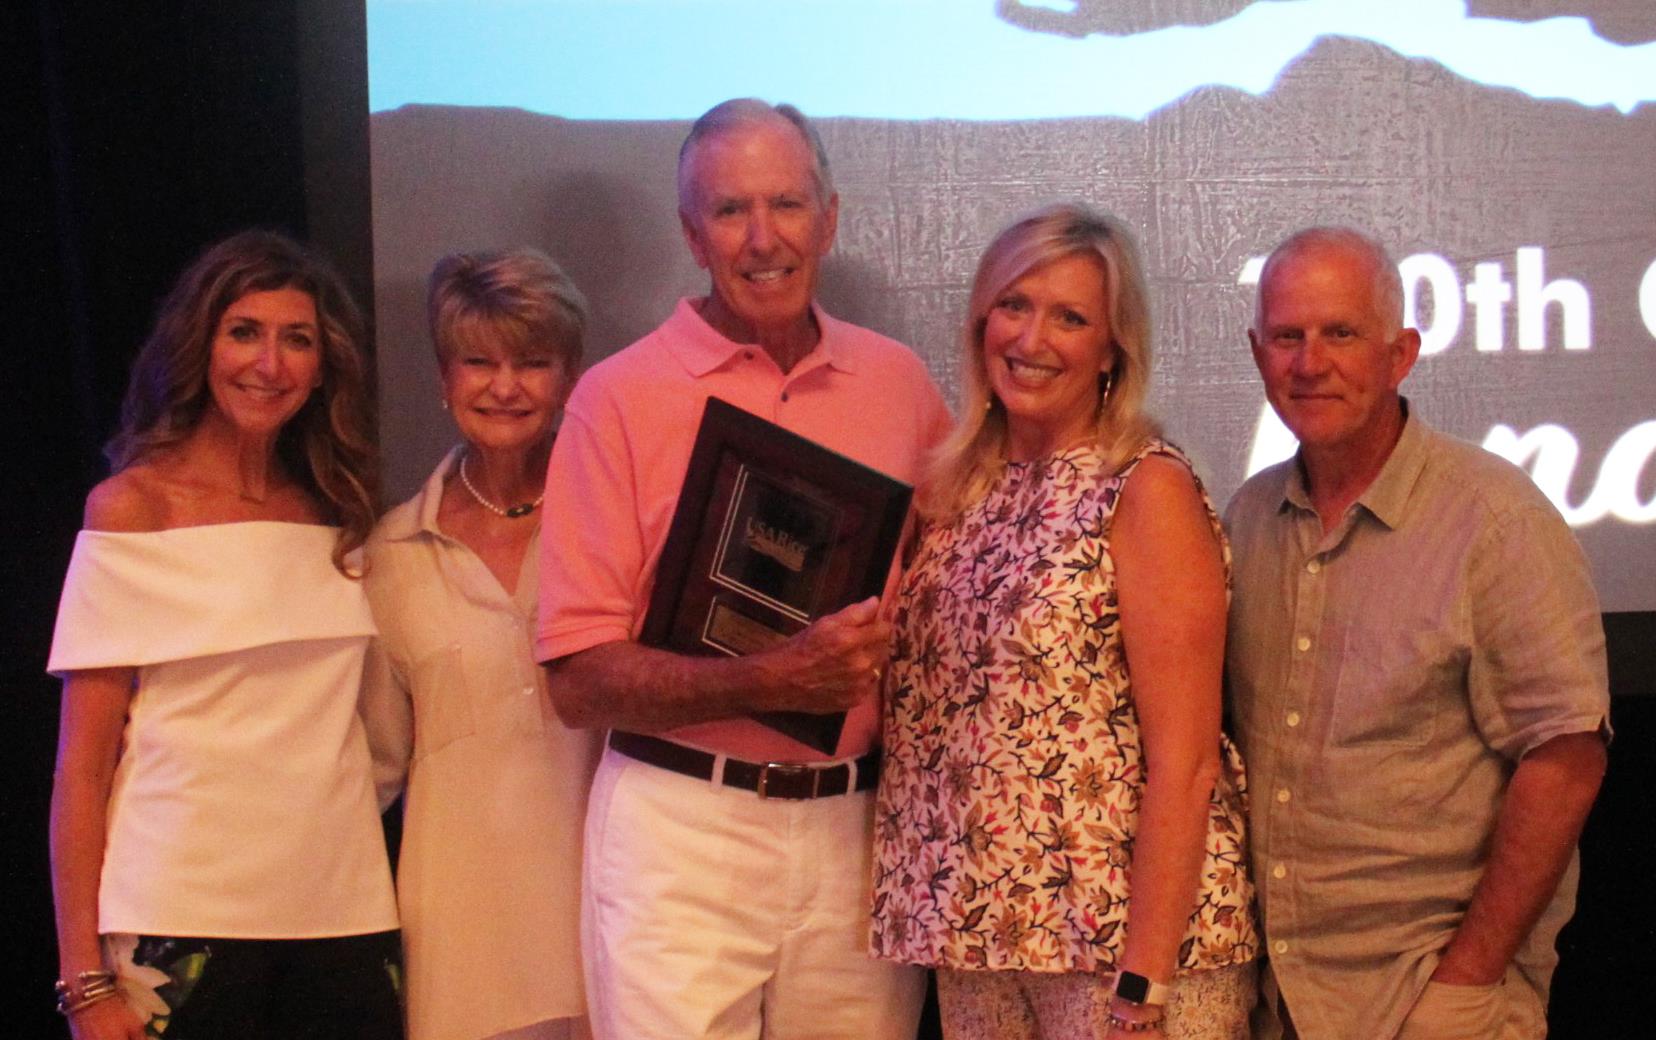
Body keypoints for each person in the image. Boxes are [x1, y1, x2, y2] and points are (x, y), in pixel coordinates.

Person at [536, 98, 952, 1040]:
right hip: (682, 826)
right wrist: (769, 679)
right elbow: (576, 679)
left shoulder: (901, 386)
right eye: (729, 211)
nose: (762, 238)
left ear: (831, 217)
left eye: (787, 205)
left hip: (855, 829)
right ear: (692, 233)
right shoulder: (618, 399)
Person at [869, 203, 1258, 1039]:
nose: (1032, 338)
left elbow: (1187, 764)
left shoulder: (1144, 488)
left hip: (1125, 955)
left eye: (1070, 317)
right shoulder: (951, 493)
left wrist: (1143, 986)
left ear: (1113, 347)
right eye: (1014, 305)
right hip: (978, 939)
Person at [1225, 226, 1611, 1040]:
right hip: (1277, 1004)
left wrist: (1464, 983)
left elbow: (1567, 759)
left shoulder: (1497, 522)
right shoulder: (1247, 520)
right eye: (1288, 337)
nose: (1309, 362)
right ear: (1258, 354)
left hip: (1428, 1004)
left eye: (1342, 333)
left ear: (1401, 354)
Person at [46, 230, 400, 1039]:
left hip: (343, 915)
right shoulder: (133, 509)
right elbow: (82, 768)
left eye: (297, 339)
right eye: (245, 331)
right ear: (200, 342)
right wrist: (84, 980)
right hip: (179, 916)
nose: (269, 364)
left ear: (324, 365)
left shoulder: (340, 514)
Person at [363, 248, 600, 1040]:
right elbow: (374, 773)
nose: (506, 386)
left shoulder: (618, 527)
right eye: (478, 361)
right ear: (442, 376)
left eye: (533, 362)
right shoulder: (389, 556)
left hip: (620, 928)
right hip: (465, 954)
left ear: (569, 377)